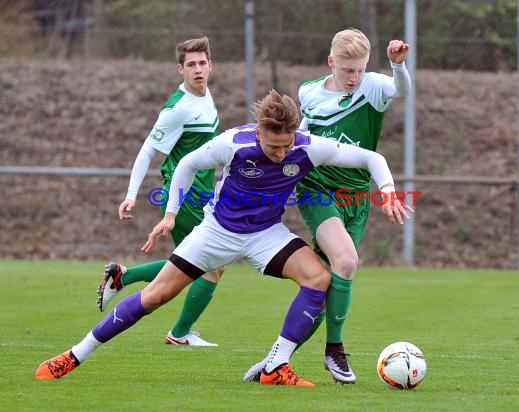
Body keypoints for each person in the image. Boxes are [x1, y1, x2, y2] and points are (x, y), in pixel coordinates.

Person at [35, 89, 411, 386]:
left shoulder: (308, 147)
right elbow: (187, 164)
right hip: (217, 233)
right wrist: (170, 214)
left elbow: (370, 159)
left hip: (266, 234)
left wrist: (389, 190)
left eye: (286, 145)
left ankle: (275, 365)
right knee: (155, 296)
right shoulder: (234, 143)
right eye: (273, 146)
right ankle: (74, 354)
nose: (281, 154)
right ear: (259, 131)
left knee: (320, 278)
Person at [244, 28, 411, 384]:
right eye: (347, 70)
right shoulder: (309, 92)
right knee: (347, 261)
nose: (354, 78)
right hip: (317, 188)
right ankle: (334, 351)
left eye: (361, 70)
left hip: (355, 195)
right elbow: (300, 135)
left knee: (328, 284)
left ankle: (277, 357)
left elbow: (403, 90)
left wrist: (398, 66)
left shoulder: (374, 87)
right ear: (331, 62)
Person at [97, 36, 223, 346]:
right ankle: (179, 333)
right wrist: (131, 193)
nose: (197, 69)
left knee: (194, 264)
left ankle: (123, 277)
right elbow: (147, 151)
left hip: (202, 194)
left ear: (211, 66)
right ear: (180, 69)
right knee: (208, 265)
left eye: (202, 63)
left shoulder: (205, 96)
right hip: (182, 197)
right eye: (190, 64)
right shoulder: (176, 109)